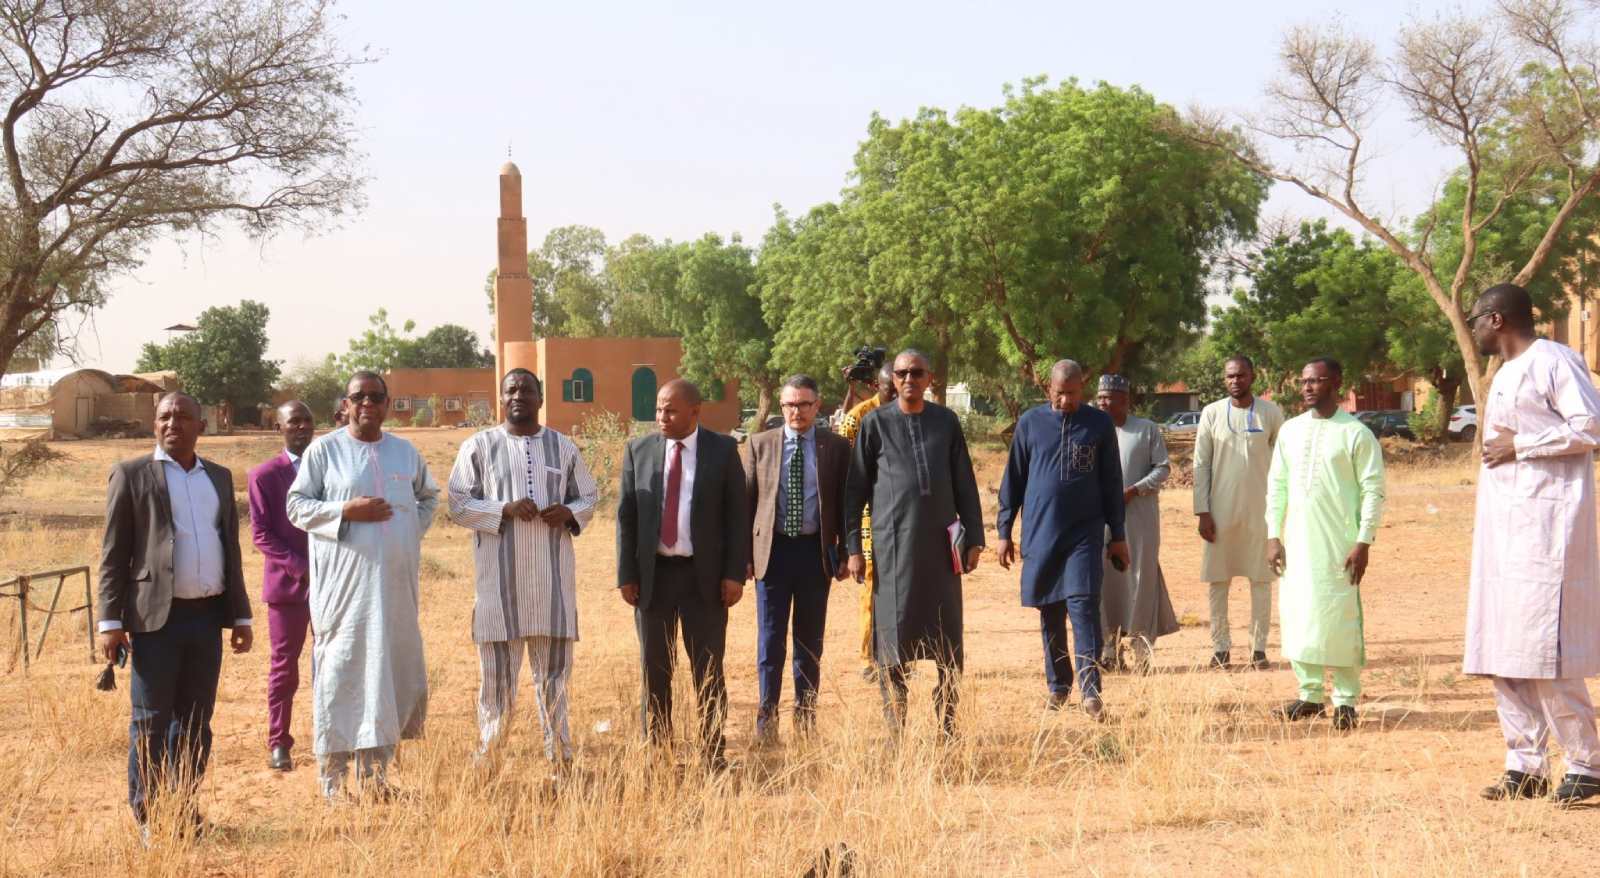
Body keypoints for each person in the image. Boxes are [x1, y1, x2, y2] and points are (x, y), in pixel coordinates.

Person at [1464, 283, 1600, 806]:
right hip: (1503, 534)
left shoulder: (1555, 360)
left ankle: (1587, 763)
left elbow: (1590, 426)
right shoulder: (1503, 374)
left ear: (1496, 319)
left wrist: (1521, 444)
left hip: (1547, 530)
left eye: (1477, 318)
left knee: (1547, 652)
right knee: (1504, 650)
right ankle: (1525, 764)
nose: (1473, 327)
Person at [97, 392, 253, 834]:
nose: (173, 424)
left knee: (195, 724)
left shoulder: (218, 478)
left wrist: (240, 616)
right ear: (154, 424)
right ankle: (149, 816)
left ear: (200, 425)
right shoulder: (131, 475)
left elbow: (231, 549)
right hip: (153, 621)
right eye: (165, 416)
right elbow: (113, 555)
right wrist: (110, 622)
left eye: (183, 416)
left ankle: (182, 808)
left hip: (205, 618)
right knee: (150, 722)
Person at [287, 371, 439, 800]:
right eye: (359, 397)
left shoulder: (404, 453)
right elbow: (296, 506)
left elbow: (429, 496)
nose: (368, 403)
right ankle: (333, 780)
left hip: (394, 592)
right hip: (344, 594)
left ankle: (375, 777)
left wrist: (410, 529)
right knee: (341, 674)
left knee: (386, 675)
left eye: (376, 397)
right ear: (345, 405)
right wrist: (345, 511)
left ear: (387, 404)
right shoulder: (324, 452)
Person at [446, 369, 598, 766]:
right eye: (510, 389)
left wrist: (569, 511)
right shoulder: (478, 447)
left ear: (540, 397)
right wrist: (504, 509)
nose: (518, 395)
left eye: (526, 389)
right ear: (501, 397)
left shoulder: (562, 447)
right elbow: (458, 503)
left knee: (554, 684)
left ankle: (560, 762)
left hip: (551, 588)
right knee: (496, 686)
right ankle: (490, 759)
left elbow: (590, 497)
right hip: (499, 590)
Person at [845, 350, 985, 738]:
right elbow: (854, 490)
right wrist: (854, 547)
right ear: (892, 380)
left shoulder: (946, 422)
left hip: (941, 551)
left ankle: (948, 725)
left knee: (948, 646)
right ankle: (896, 730)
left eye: (916, 373)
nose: (908, 379)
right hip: (893, 552)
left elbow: (964, 484)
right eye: (902, 373)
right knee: (891, 645)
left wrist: (974, 538)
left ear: (929, 378)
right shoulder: (874, 424)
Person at [617, 379, 748, 768]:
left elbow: (737, 517)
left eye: (670, 410)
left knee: (708, 669)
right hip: (654, 580)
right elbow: (627, 517)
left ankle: (712, 753)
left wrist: (734, 574)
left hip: (704, 580)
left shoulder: (722, 451)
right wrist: (627, 573)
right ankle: (658, 753)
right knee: (654, 670)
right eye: (658, 409)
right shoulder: (638, 451)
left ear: (695, 411)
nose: (661, 417)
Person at [997, 361, 1129, 718]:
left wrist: (1118, 535)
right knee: (1050, 612)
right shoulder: (1030, 424)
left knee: (1084, 606)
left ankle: (1091, 692)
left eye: (1073, 393)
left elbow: (1111, 484)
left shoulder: (1098, 424)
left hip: (1085, 534)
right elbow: (1014, 480)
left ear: (1081, 390)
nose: (1067, 400)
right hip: (1041, 534)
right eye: (1060, 393)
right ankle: (1058, 686)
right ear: (1049, 391)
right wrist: (1004, 531)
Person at [1265, 357, 1385, 732]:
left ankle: (1346, 701)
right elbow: (1276, 486)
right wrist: (1273, 535)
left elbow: (1373, 490)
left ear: (1336, 382)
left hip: (1340, 544)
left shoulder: (1355, 433)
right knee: (1301, 616)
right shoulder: (1289, 431)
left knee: (1340, 618)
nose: (1307, 388)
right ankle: (1310, 695)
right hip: (1298, 543)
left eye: (1315, 381)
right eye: (1303, 382)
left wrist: (1363, 541)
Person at [743, 374, 850, 743]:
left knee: (808, 642)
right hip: (771, 555)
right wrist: (744, 556)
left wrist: (847, 552)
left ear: (817, 406)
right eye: (789, 404)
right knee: (770, 641)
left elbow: (846, 503)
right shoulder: (760, 444)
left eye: (804, 404)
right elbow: (745, 503)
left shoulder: (834, 448)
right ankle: (766, 719)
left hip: (814, 554)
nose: (796, 411)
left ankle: (806, 718)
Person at [1193, 355, 1284, 670]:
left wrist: (1281, 511)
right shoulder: (1212, 413)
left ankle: (1258, 649)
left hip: (1261, 511)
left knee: (1262, 579)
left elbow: (1282, 461)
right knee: (1218, 580)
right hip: (1220, 511)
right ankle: (1221, 648)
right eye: (1230, 376)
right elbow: (1201, 464)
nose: (1235, 381)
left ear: (1253, 376)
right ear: (1224, 379)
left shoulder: (1271, 413)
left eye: (1241, 375)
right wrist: (1202, 510)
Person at [247, 400, 315, 772]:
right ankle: (279, 741)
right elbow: (262, 535)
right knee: (284, 666)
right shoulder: (264, 475)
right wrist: (301, 567)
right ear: (279, 428)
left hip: (335, 584)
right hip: (288, 588)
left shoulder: (329, 469)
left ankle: (332, 736)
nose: (302, 427)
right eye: (294, 422)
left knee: (334, 662)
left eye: (307, 421)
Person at [1095, 375, 1178, 673]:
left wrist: (1134, 490)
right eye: (1100, 397)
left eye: (1110, 397)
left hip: (1139, 518)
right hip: (1100, 519)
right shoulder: (1090, 430)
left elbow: (1163, 468)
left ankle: (1142, 653)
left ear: (1125, 400)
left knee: (1140, 578)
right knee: (1104, 579)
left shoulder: (1146, 430)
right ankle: (1109, 650)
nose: (1104, 402)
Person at [836, 360, 896, 678]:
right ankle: (868, 658)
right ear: (878, 387)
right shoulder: (858, 418)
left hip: (899, 515)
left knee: (899, 584)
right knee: (871, 584)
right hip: (867, 516)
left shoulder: (909, 416)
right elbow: (845, 471)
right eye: (890, 388)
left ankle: (896, 653)